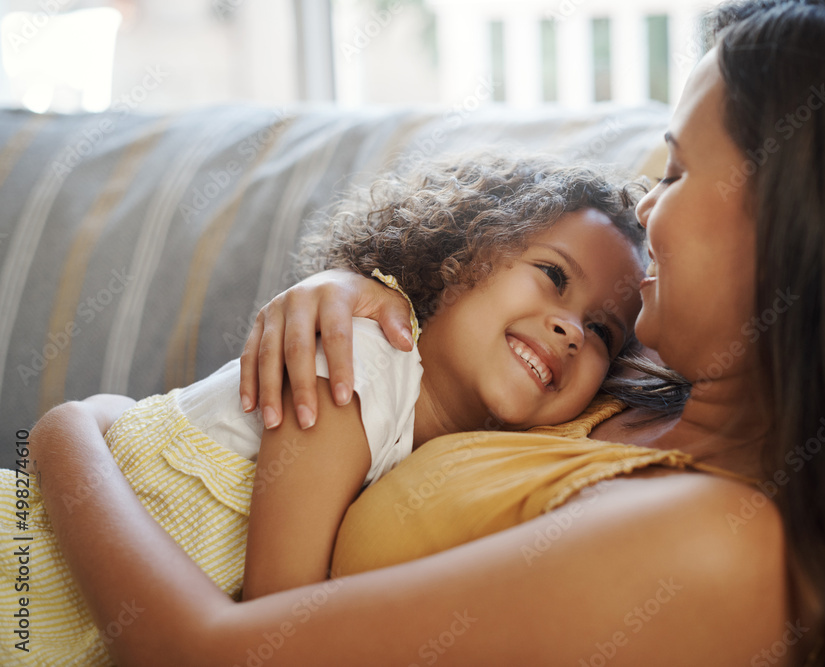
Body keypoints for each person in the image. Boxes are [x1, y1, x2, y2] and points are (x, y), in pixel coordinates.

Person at [25, 0, 825, 664]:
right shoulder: (639, 384)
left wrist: (69, 430)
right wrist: (349, 289)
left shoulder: (724, 548)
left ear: (801, 227)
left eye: (677, 171)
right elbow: (471, 318)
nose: (646, 206)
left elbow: (215, 654)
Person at [1, 153, 664, 665]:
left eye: (603, 331)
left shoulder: (450, 450)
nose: (572, 330)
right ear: (467, 250)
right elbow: (278, 619)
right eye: (553, 275)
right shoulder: (357, 369)